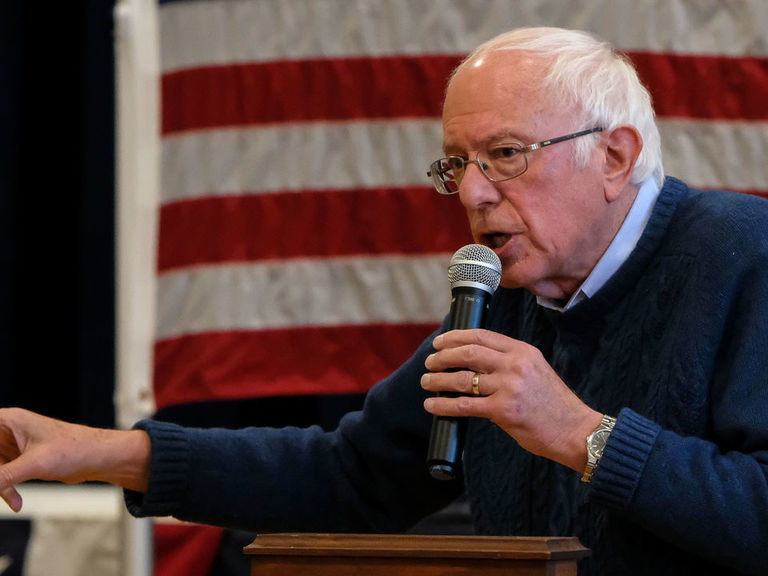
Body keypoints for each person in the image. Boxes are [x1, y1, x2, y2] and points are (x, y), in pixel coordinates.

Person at [1, 26, 767, 576]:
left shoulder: (744, 256)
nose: (471, 193)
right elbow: (350, 478)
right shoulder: (504, 297)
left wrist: (582, 434)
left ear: (614, 156)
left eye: (505, 156)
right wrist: (99, 453)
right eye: (456, 164)